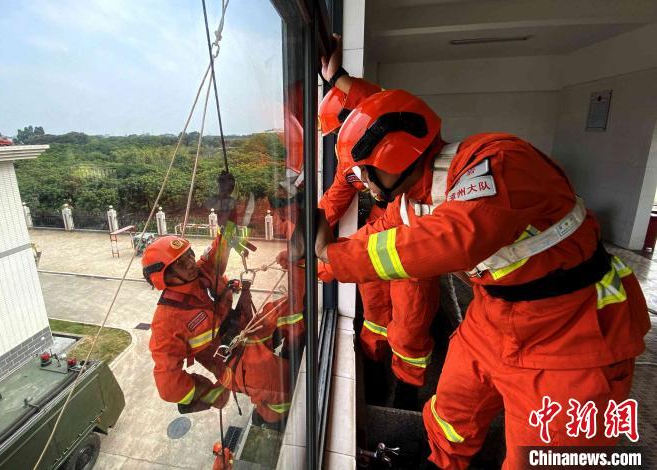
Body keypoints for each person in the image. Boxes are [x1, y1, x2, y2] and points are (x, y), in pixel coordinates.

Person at [315, 88, 650, 469]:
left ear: (393, 156)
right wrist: (316, 265)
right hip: (492, 317)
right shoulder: (412, 200)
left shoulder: (500, 160)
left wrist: (331, 255)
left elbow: (456, 238)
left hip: (573, 334)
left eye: (361, 170)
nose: (358, 180)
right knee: (452, 415)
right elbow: (375, 240)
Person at [317, 37, 441, 402]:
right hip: (385, 222)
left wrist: (338, 77)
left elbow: (379, 103)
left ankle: (407, 385)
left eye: (342, 133)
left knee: (410, 319)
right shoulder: (349, 164)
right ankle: (373, 362)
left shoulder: (397, 147)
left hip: (414, 231)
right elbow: (334, 199)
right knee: (373, 308)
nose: (342, 142)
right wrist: (310, 233)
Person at [143, 231, 291, 425]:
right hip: (231, 361)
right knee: (282, 384)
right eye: (180, 263)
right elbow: (168, 385)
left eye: (189, 255)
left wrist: (228, 229)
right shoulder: (166, 321)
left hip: (245, 329)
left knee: (293, 306)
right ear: (165, 276)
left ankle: (292, 348)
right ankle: (270, 420)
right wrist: (211, 394)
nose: (189, 263)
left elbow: (214, 256)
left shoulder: (202, 274)